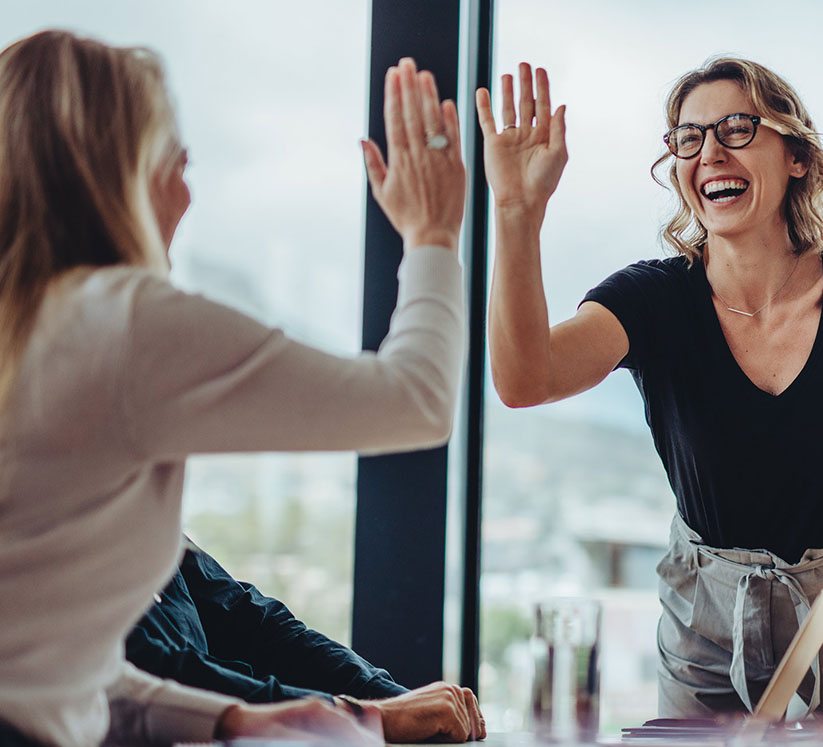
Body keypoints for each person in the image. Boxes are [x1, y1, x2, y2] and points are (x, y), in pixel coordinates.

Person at [0, 29, 480, 747]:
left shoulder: (28, 330)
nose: (186, 194)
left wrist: (251, 716)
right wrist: (434, 233)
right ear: (115, 170)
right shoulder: (119, 320)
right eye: (175, 162)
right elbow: (416, 399)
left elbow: (54, 677)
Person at [476, 59, 823, 739]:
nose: (709, 152)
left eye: (737, 128)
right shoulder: (651, 298)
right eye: (687, 138)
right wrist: (517, 215)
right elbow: (524, 380)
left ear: (799, 156)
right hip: (706, 617)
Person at [126, 538, 482, 743]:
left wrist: (392, 698)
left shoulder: (140, 512)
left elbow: (252, 624)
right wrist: (367, 716)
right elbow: (146, 671)